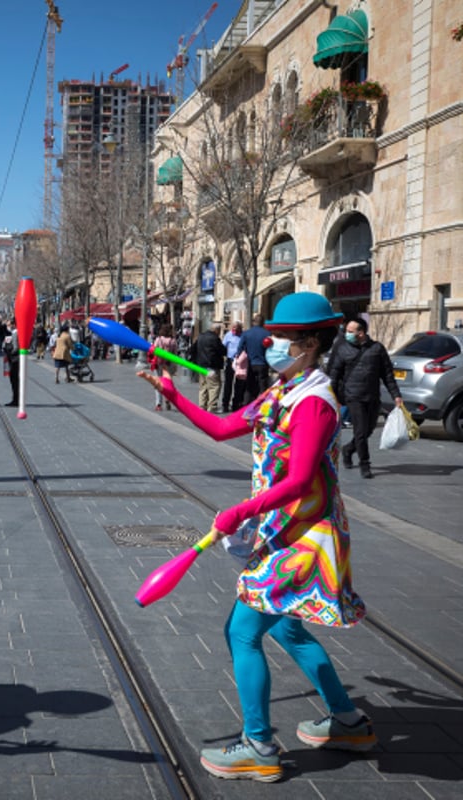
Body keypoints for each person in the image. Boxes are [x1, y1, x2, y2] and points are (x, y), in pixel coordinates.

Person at [139, 292, 375, 783]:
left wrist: (239, 511)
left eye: (283, 338)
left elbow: (301, 479)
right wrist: (174, 394)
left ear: (309, 344)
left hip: (304, 536)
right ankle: (348, 723)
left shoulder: (314, 402)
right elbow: (224, 427)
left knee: (241, 632)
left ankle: (260, 747)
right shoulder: (285, 390)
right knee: (287, 628)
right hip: (286, 529)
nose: (271, 343)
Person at [327, 316, 404, 479]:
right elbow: (334, 375)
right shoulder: (343, 349)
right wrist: (331, 397)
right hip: (353, 397)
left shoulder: (377, 349)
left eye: (350, 331)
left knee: (368, 430)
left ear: (361, 333)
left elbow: (387, 375)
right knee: (360, 431)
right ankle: (365, 464)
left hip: (372, 396)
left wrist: (396, 395)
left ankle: (348, 450)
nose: (346, 334)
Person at [192, 321, 226, 413]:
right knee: (214, 386)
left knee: (203, 386)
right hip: (212, 366)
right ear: (217, 330)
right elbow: (222, 351)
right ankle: (212, 407)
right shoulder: (215, 338)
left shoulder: (201, 336)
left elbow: (193, 349)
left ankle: (202, 406)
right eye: (219, 330)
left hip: (201, 365)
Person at [237, 314, 271, 402]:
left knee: (249, 387)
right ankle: (263, 406)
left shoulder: (246, 333)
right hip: (263, 363)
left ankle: (247, 405)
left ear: (253, 322)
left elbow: (240, 348)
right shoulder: (267, 334)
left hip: (250, 363)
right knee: (263, 387)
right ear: (263, 323)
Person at [151, 324, 177, 412]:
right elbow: (175, 354)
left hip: (158, 364)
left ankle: (158, 404)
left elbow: (153, 350)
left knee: (158, 382)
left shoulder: (158, 339)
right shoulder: (173, 341)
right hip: (168, 364)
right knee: (167, 383)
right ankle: (167, 399)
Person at [221, 320, 244, 412]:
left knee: (239, 383)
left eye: (237, 328)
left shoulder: (243, 335)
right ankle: (225, 404)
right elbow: (223, 346)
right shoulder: (228, 335)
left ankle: (236, 404)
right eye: (233, 327)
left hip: (240, 361)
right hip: (230, 360)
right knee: (228, 383)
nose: (234, 330)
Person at [2, 324, 20, 407]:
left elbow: (16, 348)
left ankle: (16, 400)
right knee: (15, 380)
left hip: (14, 360)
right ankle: (16, 399)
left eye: (9, 323)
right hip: (14, 360)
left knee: (14, 380)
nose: (8, 325)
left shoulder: (15, 333)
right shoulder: (12, 334)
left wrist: (9, 353)